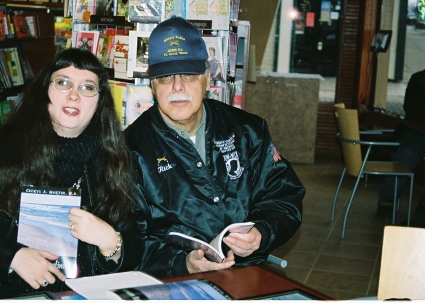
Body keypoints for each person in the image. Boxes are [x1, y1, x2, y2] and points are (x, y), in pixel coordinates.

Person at [125, 17, 305, 278]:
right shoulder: (130, 150)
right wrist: (182, 263)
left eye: (188, 74)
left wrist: (262, 233)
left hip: (245, 274)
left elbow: (283, 196)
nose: (178, 86)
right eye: (165, 77)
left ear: (207, 79)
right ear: (152, 85)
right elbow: (126, 241)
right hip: (172, 282)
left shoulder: (247, 130)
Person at [0, 48, 141, 299]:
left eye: (87, 87)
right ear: (44, 90)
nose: (74, 96)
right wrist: (11, 257)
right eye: (63, 83)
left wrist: (112, 243)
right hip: (4, 294)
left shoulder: (115, 159)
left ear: (99, 102)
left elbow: (137, 242)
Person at [377, 69, 425, 217]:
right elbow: (411, 109)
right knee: (406, 154)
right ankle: (388, 197)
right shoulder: (419, 79)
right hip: (417, 131)